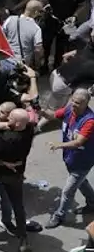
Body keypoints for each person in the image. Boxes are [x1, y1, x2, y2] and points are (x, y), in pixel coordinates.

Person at [39, 89, 94, 229]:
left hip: (83, 161)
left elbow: (78, 142)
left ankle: (59, 216)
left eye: (78, 103)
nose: (74, 104)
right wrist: (42, 112)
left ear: (86, 103)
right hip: (70, 158)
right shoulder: (70, 109)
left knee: (68, 191)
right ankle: (93, 203)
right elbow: (54, 115)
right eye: (73, 100)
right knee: (81, 182)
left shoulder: (89, 121)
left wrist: (59, 145)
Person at [0, 108, 35, 252]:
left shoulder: (6, 141)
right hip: (16, 175)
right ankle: (22, 237)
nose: (7, 120)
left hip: (0, 174)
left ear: (17, 124)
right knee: (17, 206)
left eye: (10, 118)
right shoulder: (29, 129)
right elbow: (9, 125)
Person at [2, 0, 44, 70]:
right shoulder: (36, 29)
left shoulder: (10, 19)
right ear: (36, 12)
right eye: (40, 12)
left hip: (6, 60)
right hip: (21, 65)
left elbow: (1, 35)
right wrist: (38, 64)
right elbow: (38, 50)